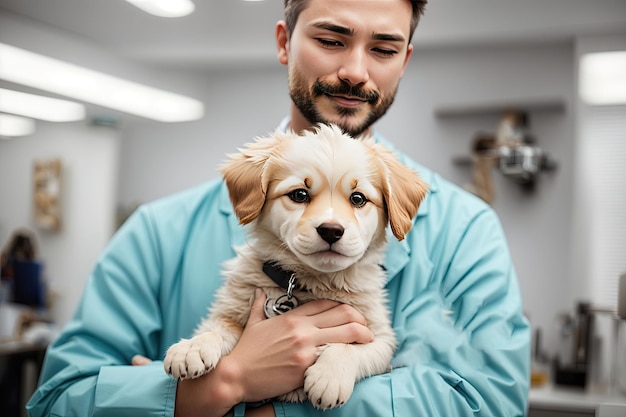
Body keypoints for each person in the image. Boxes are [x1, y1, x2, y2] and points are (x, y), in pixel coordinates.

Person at [26, 0, 530, 416]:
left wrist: (252, 407)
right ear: (285, 42)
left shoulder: (467, 230)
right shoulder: (158, 231)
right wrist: (223, 382)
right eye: (332, 39)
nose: (355, 71)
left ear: (404, 59)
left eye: (383, 48)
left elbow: (491, 403)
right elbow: (54, 401)